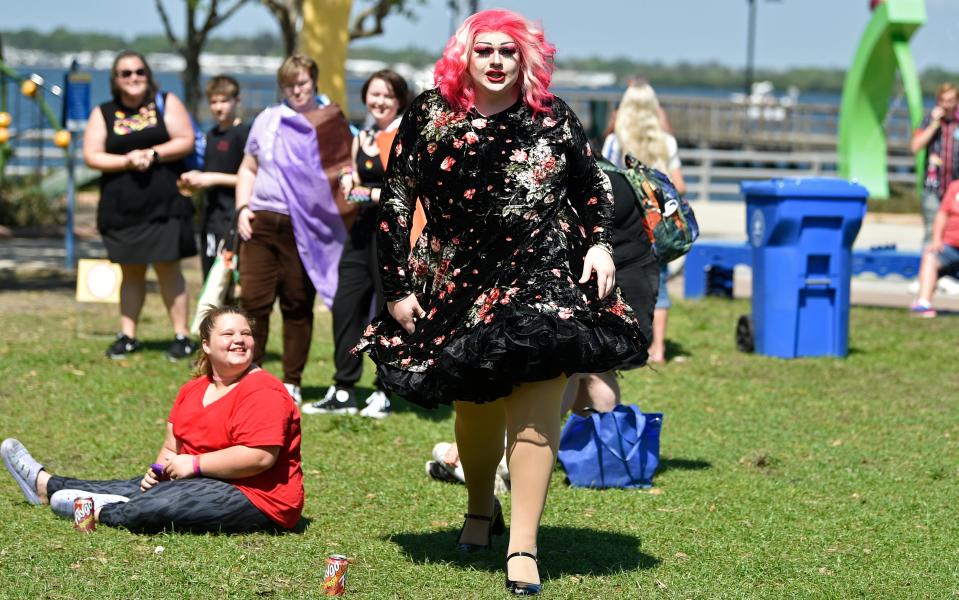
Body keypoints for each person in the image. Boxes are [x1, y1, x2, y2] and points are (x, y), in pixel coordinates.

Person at [356, 10, 647, 595]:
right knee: (476, 409)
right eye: (484, 50)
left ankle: (523, 546)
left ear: (525, 59)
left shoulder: (553, 117)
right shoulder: (430, 114)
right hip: (455, 284)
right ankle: (479, 509)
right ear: (464, 56)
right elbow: (394, 203)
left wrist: (598, 246)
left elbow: (591, 186)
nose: (495, 61)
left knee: (536, 414)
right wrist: (398, 290)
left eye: (507, 52)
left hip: (541, 279)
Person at [1, 306, 304, 533]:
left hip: (258, 497)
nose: (239, 340)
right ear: (207, 345)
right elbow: (172, 448)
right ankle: (47, 485)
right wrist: (158, 471)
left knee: (157, 505)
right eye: (228, 334)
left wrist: (194, 464)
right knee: (134, 486)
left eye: (246, 334)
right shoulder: (192, 390)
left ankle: (100, 511)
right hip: (204, 478)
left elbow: (259, 457)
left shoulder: (263, 390)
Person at [235, 54, 355, 406]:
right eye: (288, 85)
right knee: (253, 301)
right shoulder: (269, 119)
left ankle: (291, 382)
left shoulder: (330, 120)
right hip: (260, 220)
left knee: (297, 302)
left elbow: (342, 173)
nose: (295, 90)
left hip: (306, 226)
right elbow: (248, 167)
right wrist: (242, 208)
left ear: (314, 81)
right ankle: (249, 375)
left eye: (301, 83)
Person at [303, 70, 410, 419]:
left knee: (388, 313)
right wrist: (350, 182)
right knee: (345, 305)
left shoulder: (406, 135)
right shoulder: (362, 136)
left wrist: (371, 193)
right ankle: (344, 388)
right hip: (361, 231)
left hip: (393, 235)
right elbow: (352, 179)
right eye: (374, 95)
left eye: (387, 96)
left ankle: (384, 391)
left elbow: (410, 190)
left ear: (399, 100)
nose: (379, 102)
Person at [83, 50, 197, 362]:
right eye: (125, 73)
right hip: (121, 208)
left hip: (165, 204)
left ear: (147, 75)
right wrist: (126, 160)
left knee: (168, 268)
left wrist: (154, 154)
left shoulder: (166, 102)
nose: (133, 78)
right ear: (115, 80)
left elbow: (186, 138)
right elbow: (92, 155)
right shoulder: (104, 112)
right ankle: (128, 335)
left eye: (139, 72)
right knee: (130, 272)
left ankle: (181, 336)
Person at [563, 156, 661, 413]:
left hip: (614, 284)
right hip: (639, 277)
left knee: (574, 368)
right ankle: (596, 444)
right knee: (598, 368)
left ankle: (524, 448)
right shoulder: (613, 174)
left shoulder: (591, 183)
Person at [602, 80, 686, 364]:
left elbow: (604, 178)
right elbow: (679, 186)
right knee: (659, 285)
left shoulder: (615, 141)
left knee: (623, 279)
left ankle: (628, 339)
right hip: (656, 221)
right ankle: (658, 349)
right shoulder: (667, 142)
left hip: (627, 221)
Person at [179, 75, 251, 278]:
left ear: (237, 101)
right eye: (213, 102)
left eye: (224, 101)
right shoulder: (210, 136)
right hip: (210, 219)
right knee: (210, 278)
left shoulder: (244, 134)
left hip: (235, 218)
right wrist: (196, 179)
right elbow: (208, 174)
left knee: (232, 281)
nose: (218, 107)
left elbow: (251, 179)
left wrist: (212, 178)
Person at [911, 83, 959, 248]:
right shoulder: (928, 121)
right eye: (943, 101)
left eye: (951, 100)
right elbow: (915, 146)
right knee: (932, 232)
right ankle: (928, 269)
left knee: (954, 231)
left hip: (956, 188)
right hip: (933, 186)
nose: (947, 105)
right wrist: (933, 124)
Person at [910, 179, 959, 317]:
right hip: (951, 247)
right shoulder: (955, 187)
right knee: (930, 256)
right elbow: (942, 214)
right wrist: (937, 239)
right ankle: (923, 304)